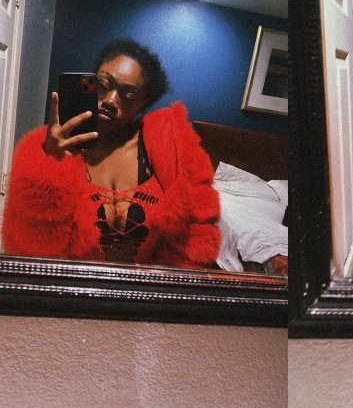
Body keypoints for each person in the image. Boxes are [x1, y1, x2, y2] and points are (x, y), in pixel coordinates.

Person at [2, 38, 221, 267]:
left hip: (146, 286)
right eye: (104, 85)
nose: (110, 100)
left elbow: (191, 238)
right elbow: (30, 249)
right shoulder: (55, 148)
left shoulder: (163, 149)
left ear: (143, 103)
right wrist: (50, 167)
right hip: (72, 284)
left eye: (127, 96)